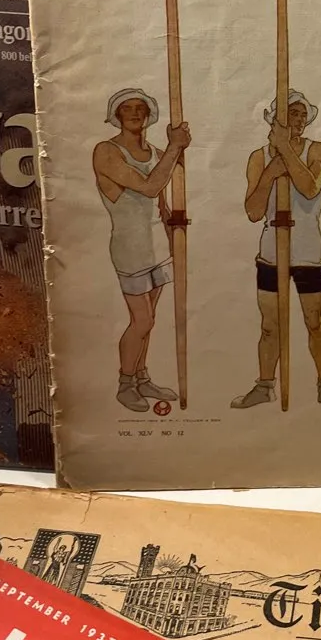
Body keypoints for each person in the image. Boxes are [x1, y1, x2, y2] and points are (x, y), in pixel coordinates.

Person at [232, 90, 321, 412]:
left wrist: (284, 149)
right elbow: (253, 211)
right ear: (275, 119)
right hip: (271, 248)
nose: (297, 119)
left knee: (315, 322)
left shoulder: (319, 150)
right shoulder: (259, 158)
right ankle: (264, 386)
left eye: (301, 114)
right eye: (290, 113)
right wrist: (271, 171)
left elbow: (309, 188)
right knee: (269, 325)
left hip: (307, 249)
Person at [93, 88, 191, 413]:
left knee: (151, 319)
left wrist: (175, 239)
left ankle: (141, 377)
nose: (135, 113)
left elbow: (160, 205)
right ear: (117, 115)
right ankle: (125, 384)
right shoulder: (107, 152)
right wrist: (175, 149)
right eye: (127, 108)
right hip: (130, 248)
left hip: (158, 247)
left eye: (140, 108)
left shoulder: (158, 153)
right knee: (142, 321)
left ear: (148, 115)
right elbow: (150, 187)